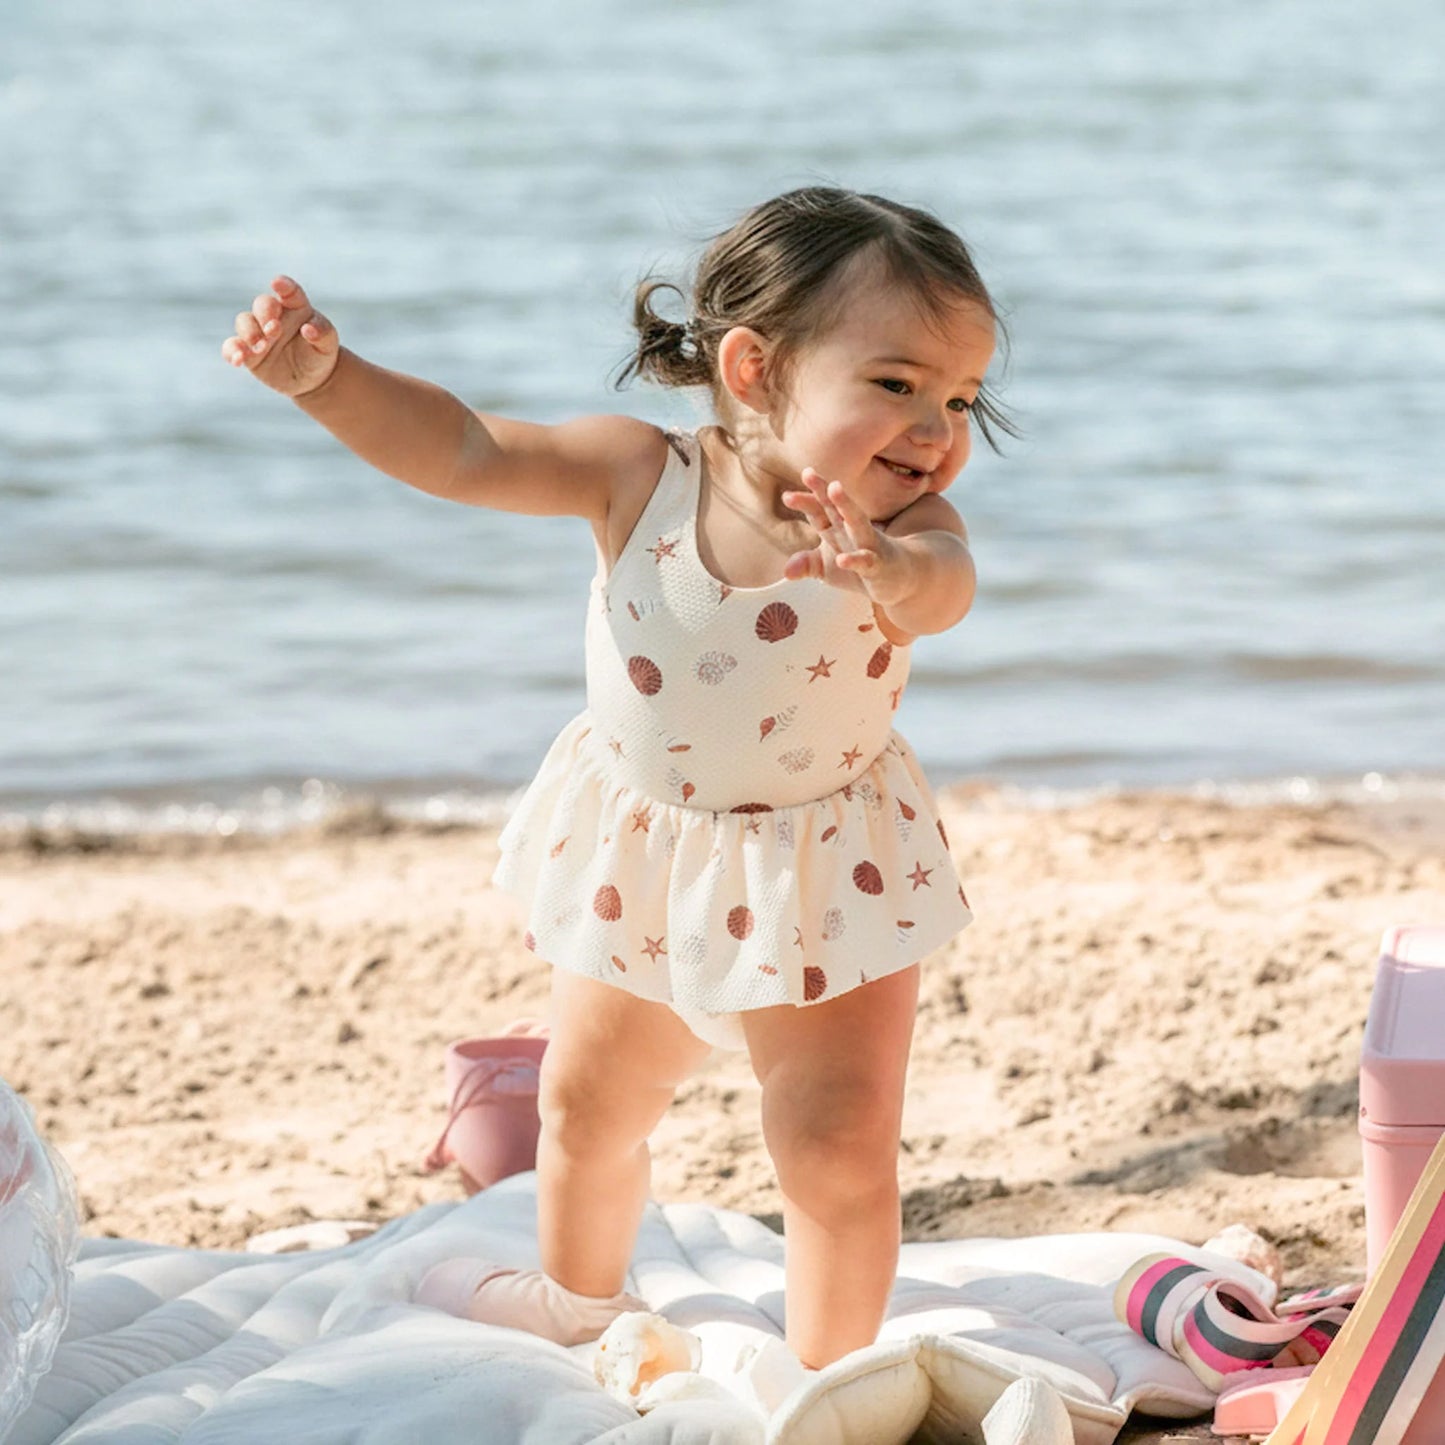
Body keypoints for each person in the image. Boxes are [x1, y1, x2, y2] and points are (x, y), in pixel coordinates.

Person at [222, 186, 1006, 1370]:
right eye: (896, 383)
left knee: (836, 1147)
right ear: (752, 368)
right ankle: (577, 1303)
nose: (934, 428)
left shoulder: (917, 527)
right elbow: (466, 449)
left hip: (819, 869)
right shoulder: (639, 475)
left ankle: (825, 1375)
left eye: (959, 398)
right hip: (647, 859)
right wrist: (329, 382)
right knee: (584, 1111)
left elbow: (942, 590)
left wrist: (886, 569)